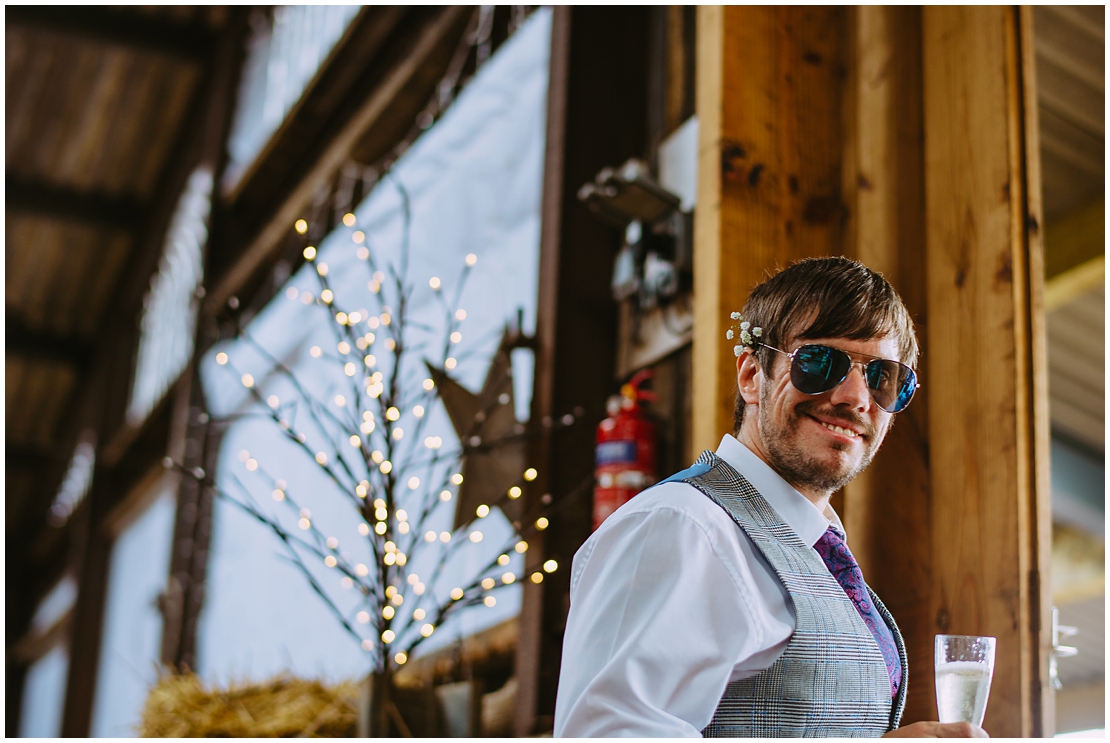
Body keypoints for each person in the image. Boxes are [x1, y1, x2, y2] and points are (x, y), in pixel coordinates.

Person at [553, 257, 988, 738]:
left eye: (882, 377)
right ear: (750, 374)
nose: (855, 398)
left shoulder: (814, 550)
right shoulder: (682, 525)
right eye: (820, 363)